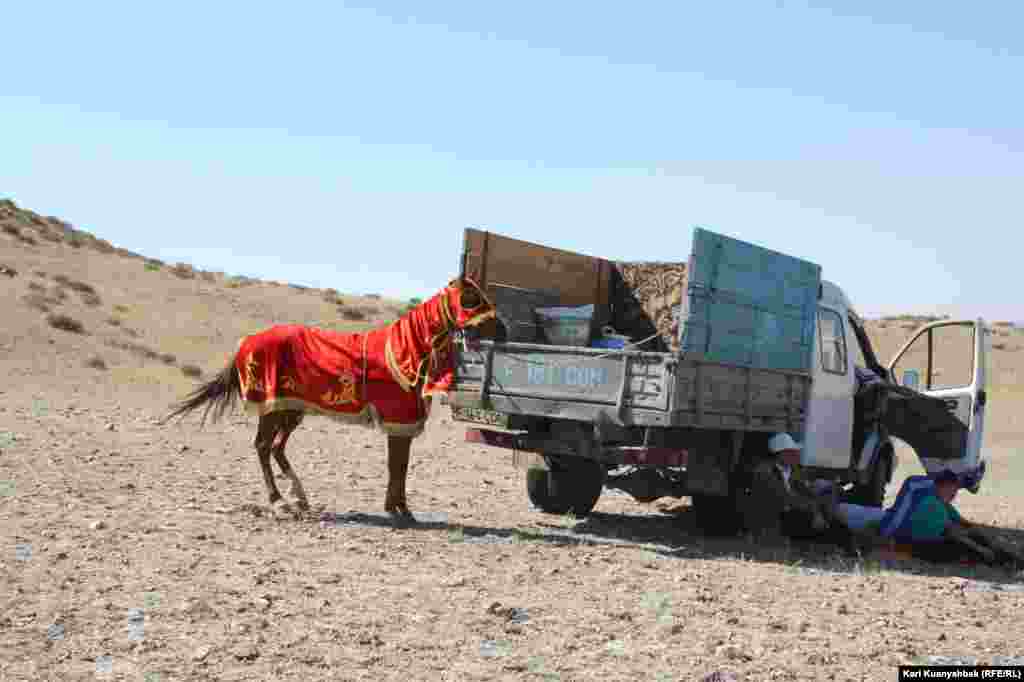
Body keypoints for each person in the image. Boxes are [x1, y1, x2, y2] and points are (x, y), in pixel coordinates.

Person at [741, 433, 834, 539]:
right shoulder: (764, 471)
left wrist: (817, 508)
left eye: (795, 452)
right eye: (791, 452)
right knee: (811, 522)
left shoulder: (794, 471)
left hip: (791, 514)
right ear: (780, 454)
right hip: (774, 517)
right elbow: (785, 497)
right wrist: (813, 509)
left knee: (832, 520)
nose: (796, 455)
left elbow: (807, 493)